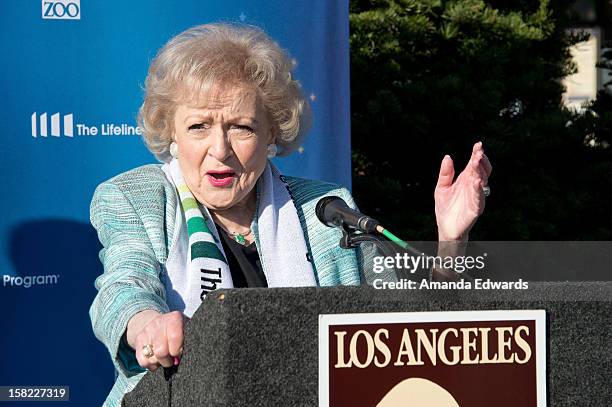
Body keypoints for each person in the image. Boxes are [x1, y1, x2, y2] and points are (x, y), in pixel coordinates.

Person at [89, 23, 492, 407]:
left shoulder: (326, 208)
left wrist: (451, 241)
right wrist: (148, 324)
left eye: (241, 128)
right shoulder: (134, 197)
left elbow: (411, 327)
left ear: (272, 135)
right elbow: (123, 285)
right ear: (172, 133)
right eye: (198, 126)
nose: (220, 149)